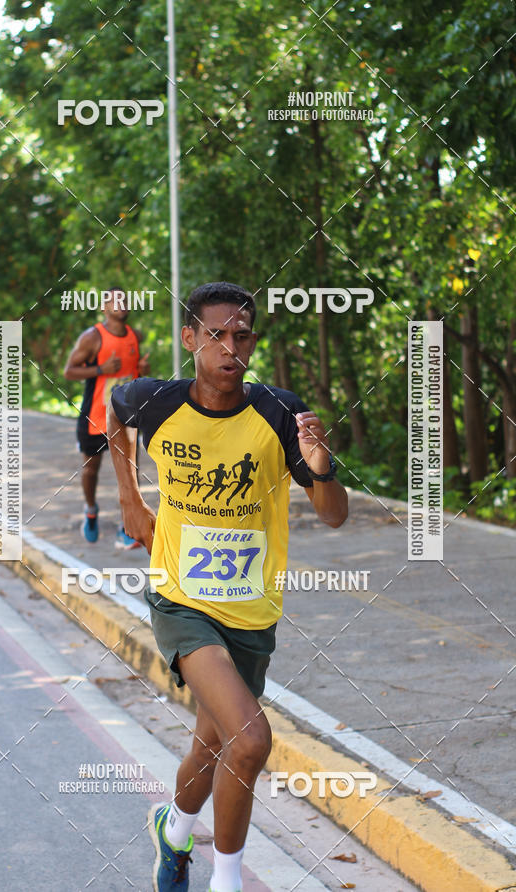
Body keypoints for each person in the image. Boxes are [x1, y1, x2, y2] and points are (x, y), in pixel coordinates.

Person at [107, 281, 348, 892]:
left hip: (251, 612)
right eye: (216, 334)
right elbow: (113, 406)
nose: (230, 347)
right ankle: (228, 880)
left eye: (242, 336)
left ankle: (173, 831)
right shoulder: (157, 400)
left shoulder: (277, 413)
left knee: (213, 747)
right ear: (190, 338)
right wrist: (130, 497)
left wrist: (320, 464)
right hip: (181, 599)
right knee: (250, 739)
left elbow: (334, 515)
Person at [63, 287, 150, 547]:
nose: (122, 303)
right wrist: (100, 369)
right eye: (116, 300)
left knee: (130, 475)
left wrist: (145, 370)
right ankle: (91, 510)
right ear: (104, 307)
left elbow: (137, 375)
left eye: (126, 299)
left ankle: (128, 527)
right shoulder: (92, 337)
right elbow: (69, 371)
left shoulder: (135, 336)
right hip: (96, 417)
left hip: (126, 418)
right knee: (91, 469)